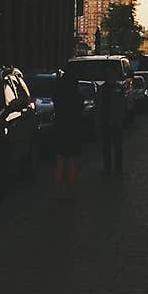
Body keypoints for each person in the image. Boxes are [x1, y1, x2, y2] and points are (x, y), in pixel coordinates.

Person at [52, 70, 83, 201]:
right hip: (73, 131)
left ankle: (59, 191)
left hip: (60, 130)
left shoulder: (58, 96)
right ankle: (71, 192)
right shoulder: (78, 97)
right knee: (72, 162)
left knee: (60, 162)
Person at [95, 71, 127, 174]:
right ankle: (107, 168)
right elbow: (98, 105)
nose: (109, 77)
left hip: (115, 122)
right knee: (106, 147)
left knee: (117, 147)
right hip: (105, 122)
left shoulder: (118, 88)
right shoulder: (102, 89)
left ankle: (117, 168)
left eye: (111, 75)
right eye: (108, 75)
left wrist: (121, 118)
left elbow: (123, 104)